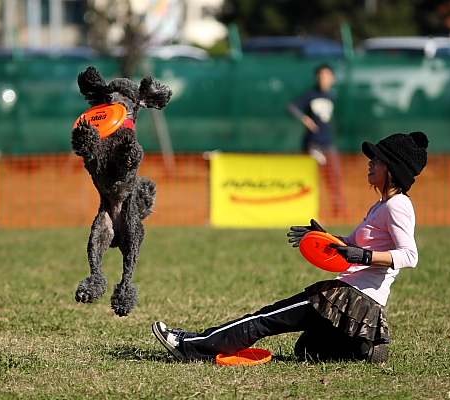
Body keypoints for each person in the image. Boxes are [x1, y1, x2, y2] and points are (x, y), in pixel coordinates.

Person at [153, 131, 429, 363]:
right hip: (357, 299)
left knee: (265, 318)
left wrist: (364, 256)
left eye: (377, 160)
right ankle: (362, 349)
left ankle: (190, 346)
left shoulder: (397, 205)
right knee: (307, 349)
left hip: (352, 296)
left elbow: (409, 255)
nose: (370, 164)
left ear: (393, 168)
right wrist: (324, 237)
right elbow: (351, 245)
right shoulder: (380, 206)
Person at [287, 64, 345, 216]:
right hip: (312, 143)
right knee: (311, 177)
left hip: (328, 143)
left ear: (332, 78)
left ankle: (338, 210)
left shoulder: (333, 95)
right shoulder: (310, 95)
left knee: (335, 175)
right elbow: (291, 107)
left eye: (326, 76)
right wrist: (305, 119)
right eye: (320, 76)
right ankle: (308, 209)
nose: (323, 79)